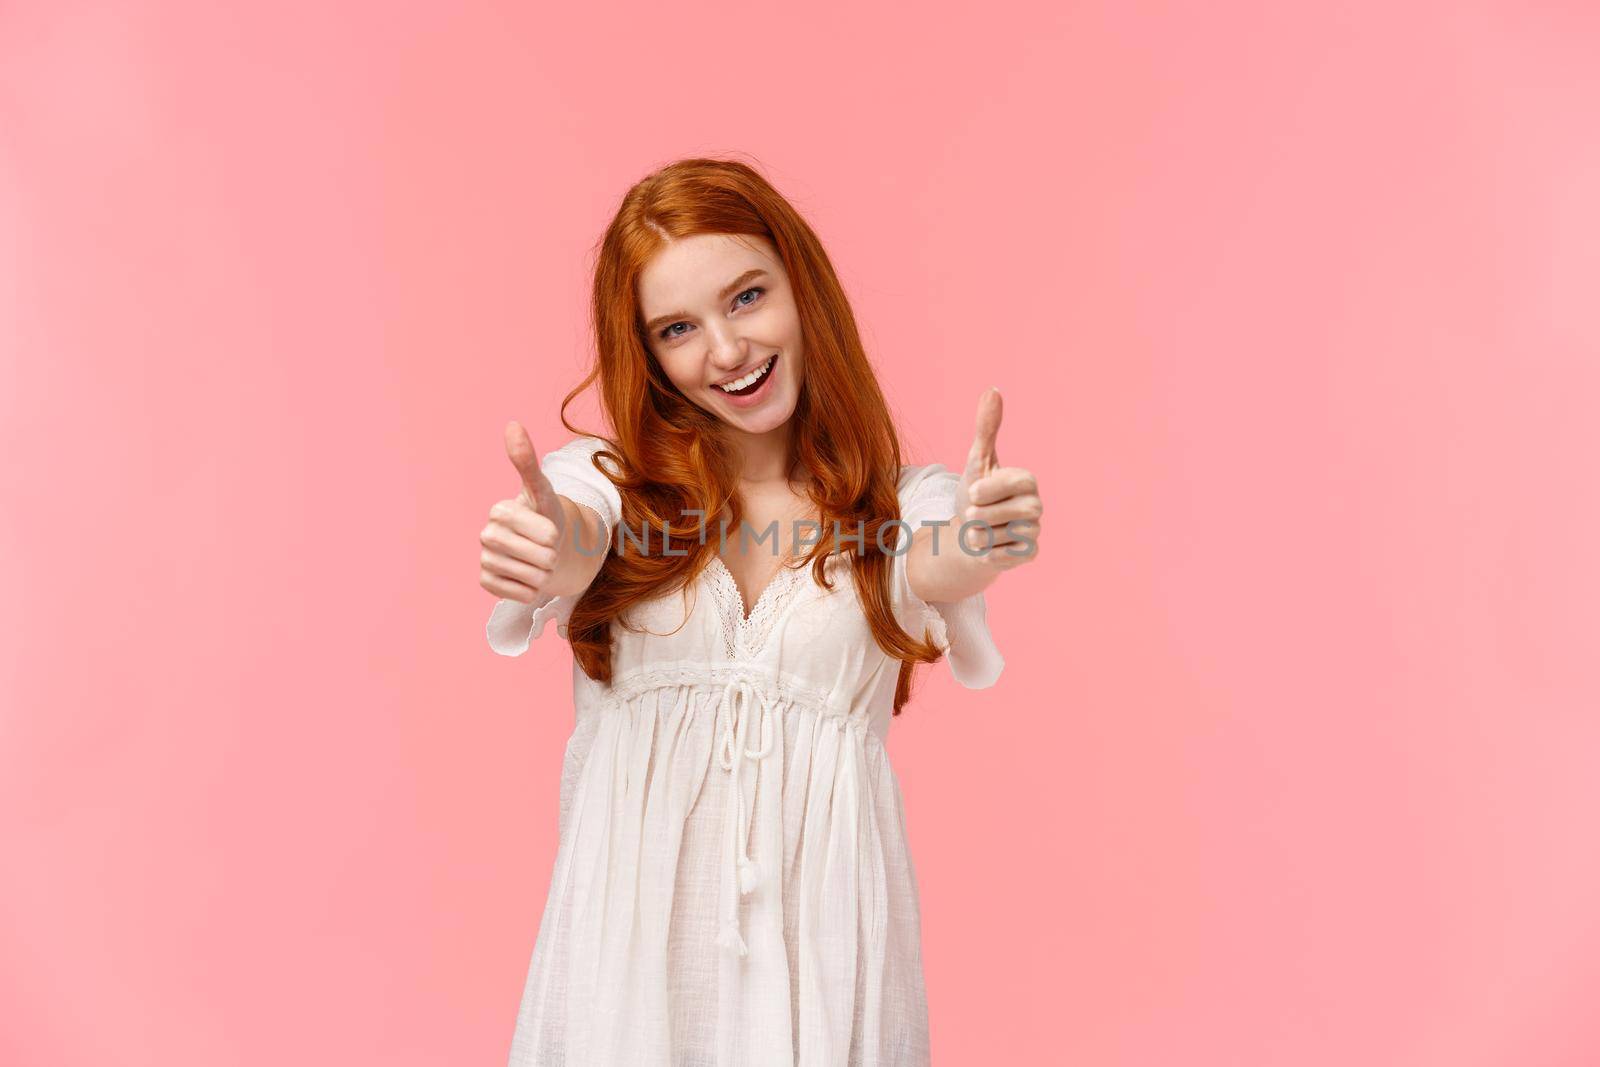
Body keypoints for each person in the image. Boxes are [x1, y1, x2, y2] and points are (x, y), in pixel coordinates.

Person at [478, 157, 1043, 1066]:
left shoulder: (897, 513)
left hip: (819, 989)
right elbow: (580, 536)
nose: (727, 350)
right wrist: (549, 540)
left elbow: (935, 563)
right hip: (623, 1000)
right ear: (650, 356)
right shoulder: (615, 492)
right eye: (678, 327)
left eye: (746, 297)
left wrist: (978, 541)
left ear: (801, 287)